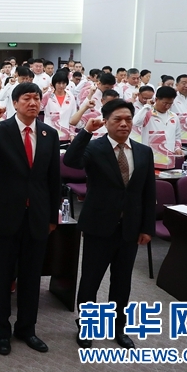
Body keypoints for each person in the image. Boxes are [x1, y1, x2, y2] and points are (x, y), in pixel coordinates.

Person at [0, 82, 61, 356]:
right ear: (15, 103)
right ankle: (2, 331)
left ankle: (27, 328)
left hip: (37, 216)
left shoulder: (49, 133)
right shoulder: (2, 129)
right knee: (3, 277)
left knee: (32, 277)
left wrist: (52, 216)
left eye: (37, 98)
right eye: (27, 98)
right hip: (6, 215)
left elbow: (53, 179)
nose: (33, 103)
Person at [63, 99, 155, 349]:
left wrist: (147, 227)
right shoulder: (95, 148)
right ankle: (87, 325)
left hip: (130, 228)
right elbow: (70, 160)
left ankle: (119, 328)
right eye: (117, 119)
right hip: (99, 226)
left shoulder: (143, 151)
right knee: (90, 280)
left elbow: (148, 192)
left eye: (128, 119)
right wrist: (86, 131)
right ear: (106, 121)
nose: (124, 124)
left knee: (122, 282)